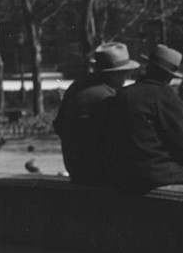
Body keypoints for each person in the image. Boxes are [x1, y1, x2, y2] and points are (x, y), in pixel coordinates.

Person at [103, 44, 183, 192]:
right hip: (152, 173)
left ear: (148, 67)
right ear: (169, 75)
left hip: (121, 171)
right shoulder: (166, 96)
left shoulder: (123, 94)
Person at [53, 42, 139, 184]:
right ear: (114, 74)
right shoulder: (110, 97)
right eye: (125, 72)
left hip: (76, 169)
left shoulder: (76, 87)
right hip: (103, 175)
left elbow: (59, 126)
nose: (127, 76)